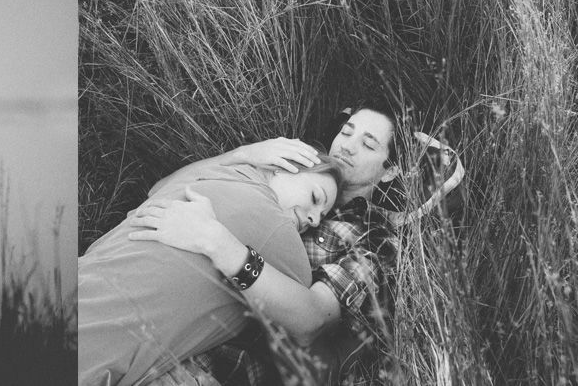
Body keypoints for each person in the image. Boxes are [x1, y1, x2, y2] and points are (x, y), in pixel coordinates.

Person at [128, 105, 402, 386]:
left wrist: (218, 243)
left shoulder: (375, 236)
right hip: (155, 318)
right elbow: (160, 190)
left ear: (389, 171)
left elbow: (313, 319)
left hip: (212, 369)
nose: (348, 146)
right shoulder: (294, 168)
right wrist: (243, 154)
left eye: (368, 144)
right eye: (346, 132)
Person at [79, 148, 344, 386]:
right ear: (283, 167)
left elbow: (157, 187)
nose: (314, 217)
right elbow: (311, 322)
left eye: (321, 216)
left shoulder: (217, 174)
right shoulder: (279, 232)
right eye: (315, 197)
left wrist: (242, 153)